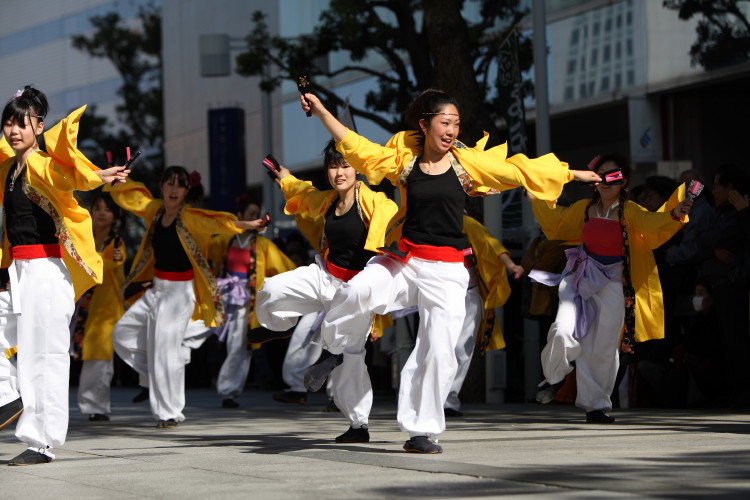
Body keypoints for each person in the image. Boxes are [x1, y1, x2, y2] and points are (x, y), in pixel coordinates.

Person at [299, 88, 600, 453]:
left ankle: (421, 431)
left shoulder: (466, 163)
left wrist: (575, 174)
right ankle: (335, 349)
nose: (452, 130)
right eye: (445, 122)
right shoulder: (404, 161)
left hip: (447, 271)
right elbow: (360, 148)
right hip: (405, 260)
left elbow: (519, 169)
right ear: (425, 125)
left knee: (439, 350)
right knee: (355, 291)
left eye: (456, 123)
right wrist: (322, 113)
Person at [0, 86, 128, 465]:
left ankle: (42, 442)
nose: (13, 130)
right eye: (8, 122)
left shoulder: (42, 164)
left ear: (38, 127)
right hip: (19, 272)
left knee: (45, 356)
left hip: (47, 272)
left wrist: (101, 174)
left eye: (22, 123)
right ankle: (8, 396)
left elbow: (71, 176)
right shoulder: (7, 168)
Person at [530, 153, 693, 423]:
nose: (606, 181)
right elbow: (555, 222)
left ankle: (596, 406)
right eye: (601, 175)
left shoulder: (630, 211)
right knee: (561, 328)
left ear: (623, 181)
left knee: (603, 345)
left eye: (613, 175)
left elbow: (653, 224)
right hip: (582, 275)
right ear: (593, 181)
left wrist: (674, 214)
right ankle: (555, 376)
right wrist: (536, 193)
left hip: (615, 280)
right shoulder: (583, 209)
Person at [255, 140, 398, 444]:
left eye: (345, 165)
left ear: (357, 168)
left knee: (354, 358)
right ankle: (281, 326)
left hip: (356, 290)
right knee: (272, 288)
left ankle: (358, 426)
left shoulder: (374, 201)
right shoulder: (329, 200)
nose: (338, 172)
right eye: (333, 165)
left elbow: (391, 211)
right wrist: (282, 173)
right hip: (325, 275)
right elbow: (302, 192)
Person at [105, 166, 264, 428]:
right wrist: (117, 180)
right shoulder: (154, 211)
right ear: (162, 187)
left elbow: (216, 221)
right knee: (122, 335)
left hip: (180, 293)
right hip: (156, 290)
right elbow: (133, 198)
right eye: (169, 183)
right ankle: (154, 376)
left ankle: (169, 413)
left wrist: (246, 224)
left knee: (165, 354)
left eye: (179, 185)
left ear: (187, 191)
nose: (173, 189)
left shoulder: (190, 217)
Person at [203, 194, 296, 408]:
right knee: (197, 327)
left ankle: (229, 391)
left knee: (238, 344)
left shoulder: (262, 245)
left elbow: (285, 266)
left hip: (246, 300)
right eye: (251, 214)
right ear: (241, 216)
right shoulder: (226, 240)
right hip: (224, 294)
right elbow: (206, 248)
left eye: (257, 215)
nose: (256, 218)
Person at [73, 192, 126, 422]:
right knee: (89, 355)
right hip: (84, 305)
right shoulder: (83, 238)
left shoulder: (117, 242)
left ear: (115, 216)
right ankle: (92, 405)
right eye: (97, 208)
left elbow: (116, 262)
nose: (101, 213)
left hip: (107, 308)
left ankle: (98, 406)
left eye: (107, 209)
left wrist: (115, 259)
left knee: (100, 356)